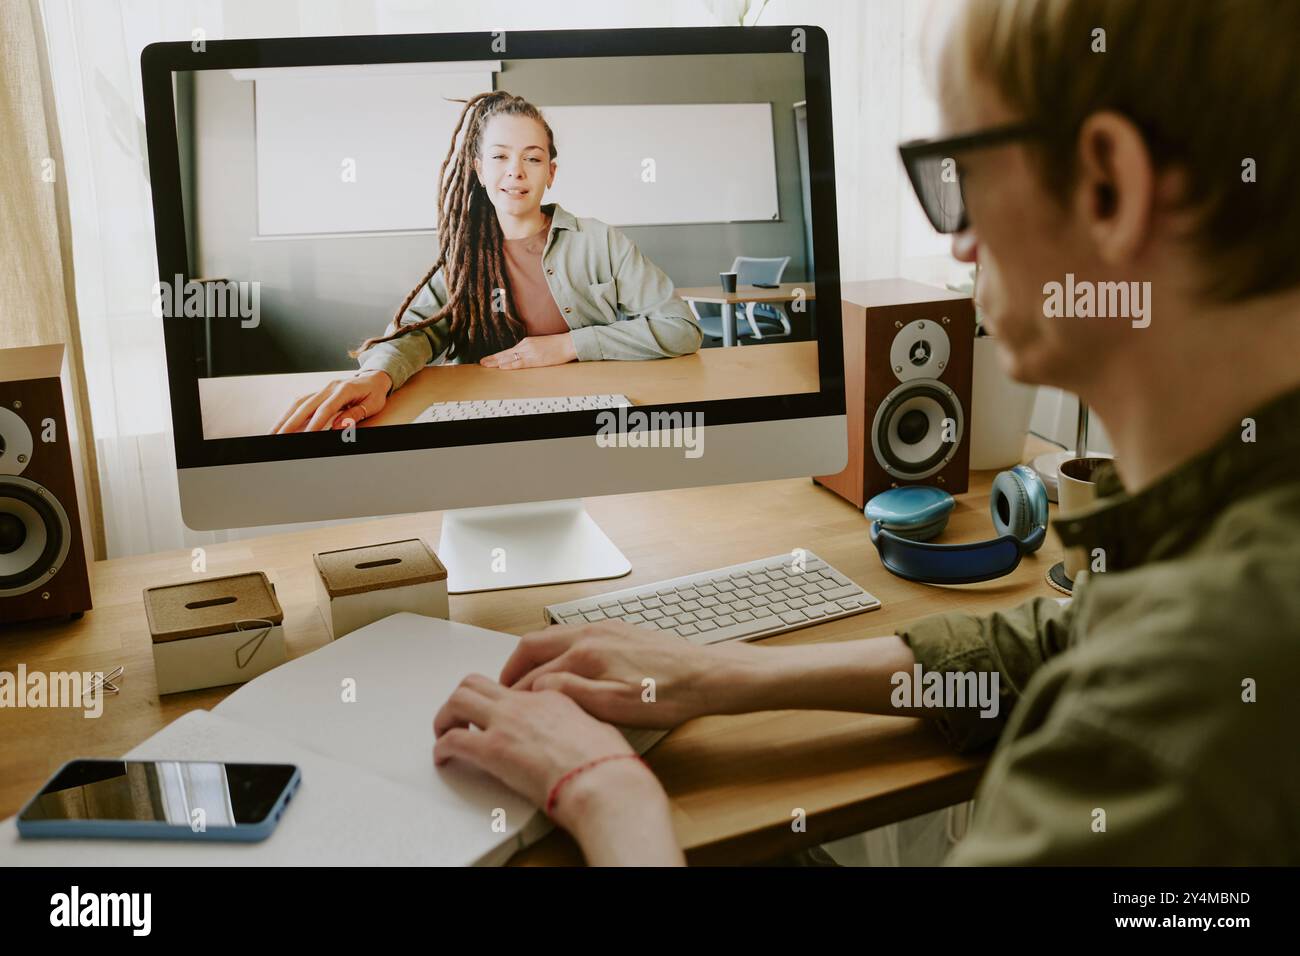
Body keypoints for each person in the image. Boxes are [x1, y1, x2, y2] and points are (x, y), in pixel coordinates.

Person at [433, 0, 1300, 865]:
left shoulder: (1201, 683)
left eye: (958, 171)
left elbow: (1134, 678)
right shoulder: (1233, 535)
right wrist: (722, 675)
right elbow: (1066, 643)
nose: (956, 241)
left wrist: (604, 790)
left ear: (1112, 185)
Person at [273, 91, 701, 434]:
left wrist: (568, 346)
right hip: (487, 425)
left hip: (588, 422)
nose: (515, 171)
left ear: (550, 173)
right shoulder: (464, 257)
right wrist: (376, 377)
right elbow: (417, 333)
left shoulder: (600, 241)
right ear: (478, 170)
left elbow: (680, 328)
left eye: (532, 158)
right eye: (500, 157)